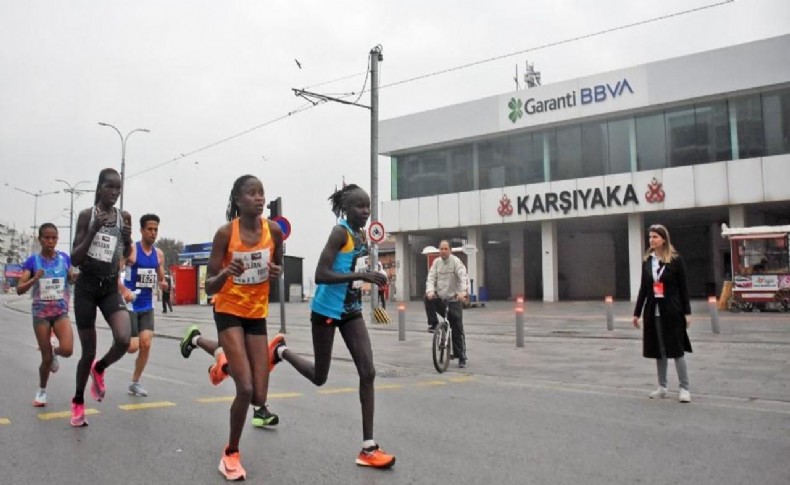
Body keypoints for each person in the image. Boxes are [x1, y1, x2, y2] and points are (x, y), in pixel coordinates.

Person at [269, 184, 396, 469]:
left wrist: (373, 276)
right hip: (326, 310)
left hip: (351, 310)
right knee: (319, 377)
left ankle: (368, 447)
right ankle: (281, 351)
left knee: (368, 371)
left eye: (368, 207)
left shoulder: (359, 233)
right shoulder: (339, 232)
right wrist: (361, 273)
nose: (365, 212)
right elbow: (321, 274)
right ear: (345, 210)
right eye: (359, 207)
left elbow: (354, 269)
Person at [203, 174, 283, 481]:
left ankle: (225, 362)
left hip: (256, 314)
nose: (260, 198)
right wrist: (226, 272)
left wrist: (276, 271)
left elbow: (278, 264)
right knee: (245, 388)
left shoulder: (273, 230)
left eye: (262, 193)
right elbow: (209, 286)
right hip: (228, 310)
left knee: (259, 397)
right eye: (252, 194)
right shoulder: (226, 233)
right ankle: (231, 454)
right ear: (238, 200)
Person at [69, 168, 133, 427]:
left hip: (108, 286)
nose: (115, 193)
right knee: (88, 351)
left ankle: (101, 367)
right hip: (86, 287)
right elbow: (75, 257)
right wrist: (93, 230)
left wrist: (128, 242)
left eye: (118, 188)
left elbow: (126, 254)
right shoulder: (87, 216)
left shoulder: (123, 217)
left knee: (124, 339)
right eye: (110, 187)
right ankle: (78, 400)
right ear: (99, 188)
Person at [632, 224, 693, 403]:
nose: (652, 240)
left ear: (664, 239)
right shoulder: (648, 261)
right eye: (650, 237)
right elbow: (644, 289)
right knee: (659, 350)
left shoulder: (675, 260)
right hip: (653, 311)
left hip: (672, 310)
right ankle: (662, 386)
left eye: (655, 237)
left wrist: (687, 313)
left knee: (677, 349)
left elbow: (684, 288)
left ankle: (684, 388)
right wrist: (637, 313)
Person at [16, 223, 75, 407]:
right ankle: (41, 391)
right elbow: (19, 289)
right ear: (40, 239)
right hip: (41, 314)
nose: (50, 241)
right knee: (46, 359)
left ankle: (54, 353)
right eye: (47, 238)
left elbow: (72, 277)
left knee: (67, 349)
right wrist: (34, 278)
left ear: (57, 239)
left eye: (54, 238)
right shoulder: (33, 262)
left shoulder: (65, 258)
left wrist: (75, 277)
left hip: (60, 312)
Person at [179, 324, 280, 427]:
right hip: (229, 311)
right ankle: (197, 341)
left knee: (240, 353)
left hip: (250, 311)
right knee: (234, 351)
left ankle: (196, 340)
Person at [121, 214, 167, 397]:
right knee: (132, 347)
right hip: (131, 304)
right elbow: (115, 273)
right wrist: (124, 290)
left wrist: (163, 284)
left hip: (147, 305)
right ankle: (120, 337)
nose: (153, 233)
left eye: (156, 229)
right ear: (141, 230)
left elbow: (160, 276)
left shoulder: (159, 255)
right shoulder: (131, 250)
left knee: (146, 343)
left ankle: (135, 382)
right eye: (149, 229)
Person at [424, 240, 469, 368]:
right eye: (441, 249)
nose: (443, 251)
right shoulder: (436, 263)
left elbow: (463, 277)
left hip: (454, 300)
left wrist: (462, 293)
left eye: (445, 249)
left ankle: (461, 357)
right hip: (441, 299)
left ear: (450, 250)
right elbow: (431, 278)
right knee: (427, 298)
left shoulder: (456, 262)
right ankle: (433, 324)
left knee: (457, 328)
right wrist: (430, 291)